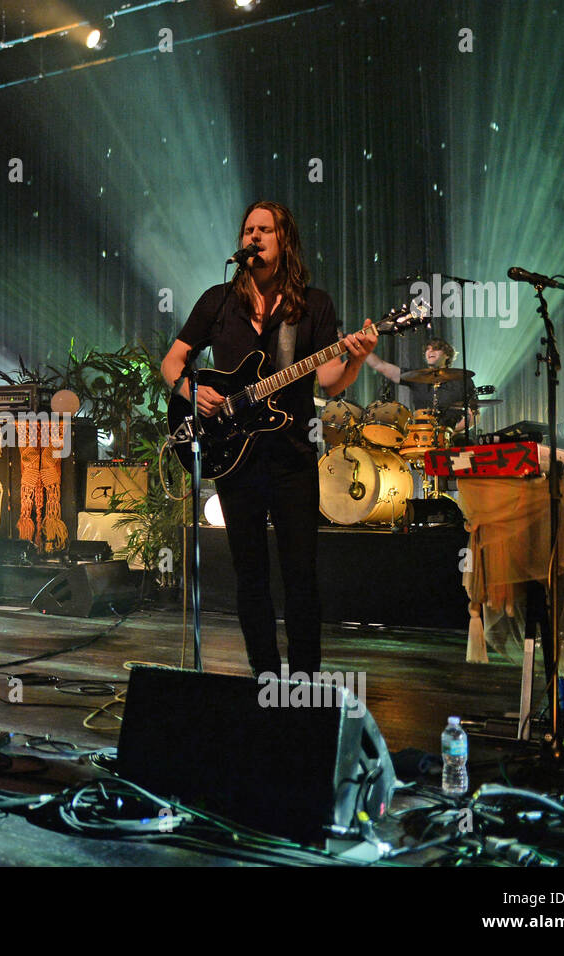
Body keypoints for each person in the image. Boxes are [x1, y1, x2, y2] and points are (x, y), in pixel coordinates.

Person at [160, 200, 376, 678]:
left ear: (284, 241)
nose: (253, 237)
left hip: (292, 458)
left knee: (301, 577)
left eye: (265, 230)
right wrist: (190, 392)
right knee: (250, 577)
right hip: (232, 456)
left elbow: (330, 381)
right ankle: (265, 679)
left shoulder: (312, 305)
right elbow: (172, 361)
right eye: (248, 230)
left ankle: (303, 686)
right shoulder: (217, 301)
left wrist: (357, 358)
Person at [366, 337, 477, 434]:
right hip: (422, 437)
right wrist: (363, 352)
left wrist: (455, 431)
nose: (430, 351)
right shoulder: (417, 377)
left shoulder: (463, 380)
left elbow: (475, 414)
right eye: (427, 349)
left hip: (454, 436)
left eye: (436, 348)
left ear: (447, 355)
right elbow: (380, 365)